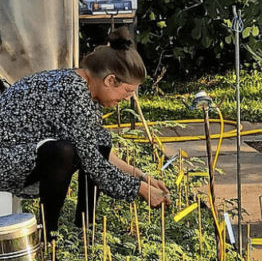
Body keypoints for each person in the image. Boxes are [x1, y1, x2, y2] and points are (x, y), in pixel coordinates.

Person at [0, 27, 171, 238]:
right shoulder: (73, 91)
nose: (127, 99)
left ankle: (84, 229)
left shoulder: (81, 84)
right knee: (61, 151)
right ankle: (47, 236)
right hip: (6, 161)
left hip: (20, 155)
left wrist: (141, 176)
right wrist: (142, 190)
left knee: (99, 140)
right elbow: (93, 163)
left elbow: (95, 147)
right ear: (110, 80)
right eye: (127, 91)